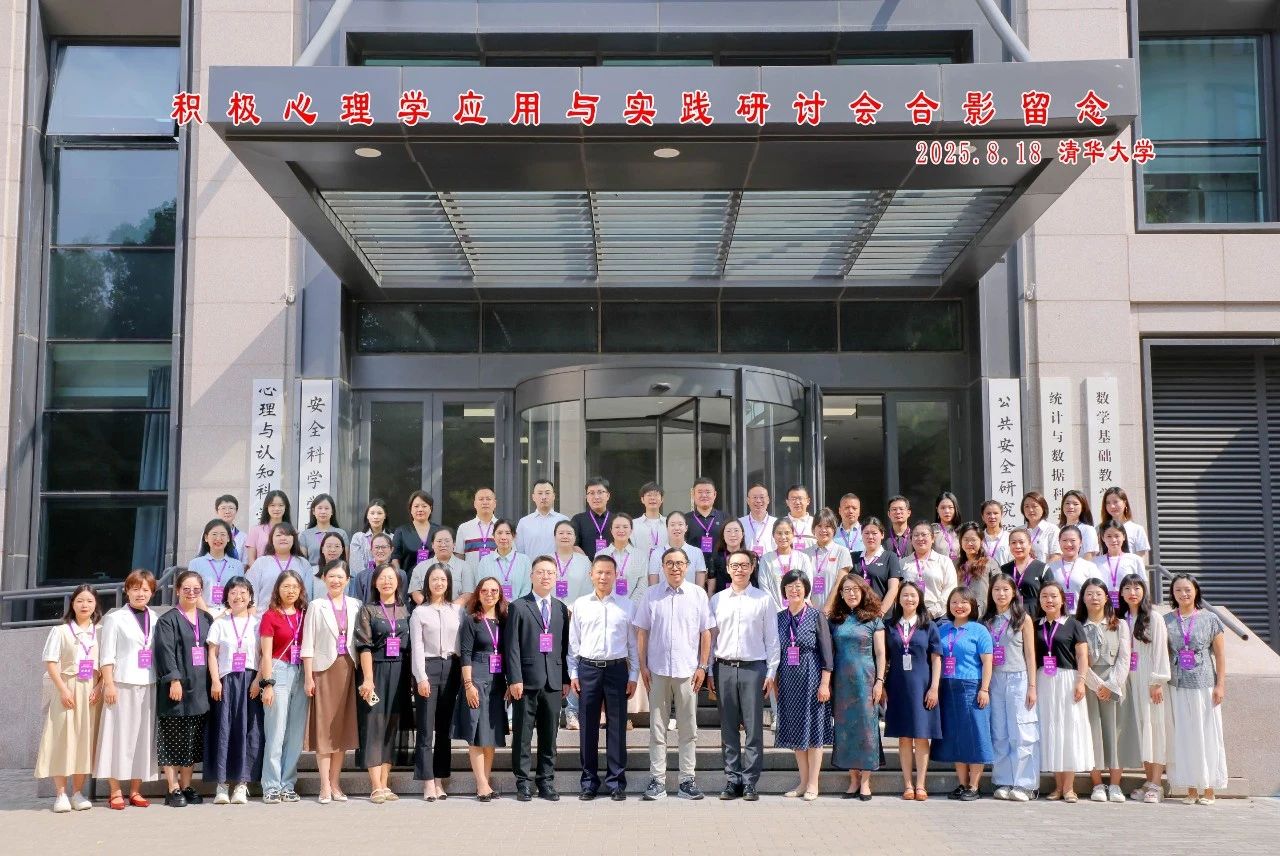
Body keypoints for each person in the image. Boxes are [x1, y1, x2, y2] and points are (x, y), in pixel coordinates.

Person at [633, 546, 715, 801]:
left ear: (687, 566)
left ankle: (687, 780)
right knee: (657, 728)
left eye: (680, 563)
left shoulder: (698, 594)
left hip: (688, 671)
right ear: (663, 567)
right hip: (657, 671)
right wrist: (643, 666)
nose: (675, 567)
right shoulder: (651, 594)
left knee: (688, 728)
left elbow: (706, 632)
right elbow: (642, 631)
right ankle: (657, 781)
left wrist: (703, 666)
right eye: (670, 563)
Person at [708, 549, 779, 801]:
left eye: (744, 565)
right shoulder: (717, 600)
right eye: (735, 565)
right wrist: (709, 669)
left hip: (753, 669)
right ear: (728, 569)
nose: (739, 569)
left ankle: (750, 782)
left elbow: (772, 639)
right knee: (728, 728)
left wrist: (771, 671)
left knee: (753, 728)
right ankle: (732, 780)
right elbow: (711, 639)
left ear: (752, 568)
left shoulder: (763, 600)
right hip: (724, 667)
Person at [569, 555, 639, 800]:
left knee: (617, 727)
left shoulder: (626, 605)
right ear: (591, 574)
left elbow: (632, 645)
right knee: (588, 727)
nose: (603, 577)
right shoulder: (580, 605)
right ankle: (589, 782)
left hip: (617, 670)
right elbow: (573, 643)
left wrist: (633, 675)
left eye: (608, 572)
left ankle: (616, 782)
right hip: (588, 669)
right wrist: (574, 673)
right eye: (599, 572)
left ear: (616, 575)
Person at [505, 556, 571, 801]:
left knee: (549, 735)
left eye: (550, 573)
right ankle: (523, 782)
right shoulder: (519, 606)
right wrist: (514, 678)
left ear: (556, 577)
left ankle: (546, 781)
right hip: (525, 682)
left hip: (553, 681)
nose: (545, 576)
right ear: (531, 576)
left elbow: (564, 647)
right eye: (540, 572)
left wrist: (565, 678)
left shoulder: (561, 608)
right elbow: (511, 646)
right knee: (523, 735)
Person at [96, 569, 160, 809]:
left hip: (148, 682)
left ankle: (135, 790)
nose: (140, 593)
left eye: (145, 589)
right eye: (135, 589)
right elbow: (107, 655)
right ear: (127, 591)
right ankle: (115, 791)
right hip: (121, 683)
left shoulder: (155, 618)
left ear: (152, 592)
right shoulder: (115, 618)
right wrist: (109, 684)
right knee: (116, 736)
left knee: (142, 737)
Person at [36, 585, 102, 813]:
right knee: (62, 739)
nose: (85, 605)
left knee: (85, 740)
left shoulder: (100, 632)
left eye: (89, 601)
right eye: (80, 601)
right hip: (67, 688)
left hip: (91, 692)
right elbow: (50, 662)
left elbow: (106, 664)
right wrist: (63, 690)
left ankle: (77, 793)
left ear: (96, 605)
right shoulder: (61, 631)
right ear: (72, 604)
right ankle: (61, 793)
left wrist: (100, 686)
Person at [1164, 573, 1227, 805]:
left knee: (1207, 734)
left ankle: (1209, 788)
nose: (1183, 594)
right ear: (1172, 594)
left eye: (1188, 589)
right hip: (1177, 684)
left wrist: (1220, 685)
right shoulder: (1166, 620)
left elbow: (1220, 655)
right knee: (1184, 735)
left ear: (1196, 591)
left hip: (1204, 684)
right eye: (1178, 590)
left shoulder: (1210, 618)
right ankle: (1191, 789)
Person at [301, 559, 359, 804]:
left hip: (348, 669)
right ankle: (324, 784)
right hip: (324, 671)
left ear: (347, 580)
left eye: (340, 577)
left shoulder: (356, 605)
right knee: (325, 729)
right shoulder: (316, 605)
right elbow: (308, 644)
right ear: (324, 578)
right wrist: (308, 677)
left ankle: (336, 783)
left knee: (341, 730)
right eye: (331, 576)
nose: (336, 580)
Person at [154, 569, 213, 807]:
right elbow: (165, 651)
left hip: (199, 688)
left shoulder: (206, 619)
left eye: (196, 589)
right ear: (177, 590)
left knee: (191, 740)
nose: (191, 593)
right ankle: (173, 787)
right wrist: (174, 680)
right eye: (186, 589)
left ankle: (187, 785)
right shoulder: (167, 620)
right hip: (176, 688)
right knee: (172, 738)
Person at [355, 564, 412, 803]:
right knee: (374, 725)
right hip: (376, 671)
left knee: (392, 726)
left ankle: (386, 783)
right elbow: (364, 646)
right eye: (382, 578)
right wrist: (368, 679)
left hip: (400, 672)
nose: (387, 582)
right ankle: (375, 785)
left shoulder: (406, 610)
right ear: (375, 583)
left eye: (391, 578)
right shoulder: (368, 610)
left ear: (398, 582)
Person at [204, 576, 264, 806]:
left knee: (249, 730)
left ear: (250, 596)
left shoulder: (258, 623)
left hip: (251, 680)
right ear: (226, 596)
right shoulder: (220, 623)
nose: (238, 597)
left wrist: (258, 680)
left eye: (243, 592)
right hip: (226, 680)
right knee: (224, 729)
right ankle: (221, 785)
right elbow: (212, 654)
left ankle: (241, 784)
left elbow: (264, 655)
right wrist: (215, 681)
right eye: (233, 593)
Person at [775, 569, 833, 801]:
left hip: (812, 678)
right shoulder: (780, 617)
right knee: (797, 732)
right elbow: (776, 652)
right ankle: (802, 782)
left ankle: (813, 784)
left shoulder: (816, 615)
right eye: (790, 586)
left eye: (798, 586)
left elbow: (827, 653)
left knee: (814, 731)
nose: (794, 590)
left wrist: (825, 683)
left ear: (806, 589)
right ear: (784, 591)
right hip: (789, 680)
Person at [410, 563, 465, 801]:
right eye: (434, 579)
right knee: (425, 728)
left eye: (443, 579)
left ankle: (440, 778)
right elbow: (417, 646)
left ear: (448, 583)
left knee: (444, 729)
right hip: (428, 668)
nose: (439, 583)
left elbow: (461, 644)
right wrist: (420, 676)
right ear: (427, 583)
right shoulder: (419, 612)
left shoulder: (457, 610)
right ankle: (427, 780)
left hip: (451, 668)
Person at [933, 587, 994, 801]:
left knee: (975, 734)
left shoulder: (979, 630)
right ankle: (961, 783)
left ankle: (974, 786)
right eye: (954, 602)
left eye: (964, 602)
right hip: (947, 686)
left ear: (972, 606)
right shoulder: (942, 629)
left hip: (972, 685)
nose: (959, 606)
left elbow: (987, 662)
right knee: (955, 735)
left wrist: (984, 688)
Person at [1034, 581, 1093, 802]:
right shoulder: (1036, 624)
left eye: (1053, 596)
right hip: (1044, 680)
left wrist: (1081, 681)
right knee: (1051, 731)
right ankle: (1057, 786)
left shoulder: (1073, 624)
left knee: (1068, 730)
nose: (1049, 600)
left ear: (1062, 600)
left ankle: (1069, 787)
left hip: (1067, 680)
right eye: (1044, 596)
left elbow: (1082, 656)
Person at [883, 581, 942, 801]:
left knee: (922, 736)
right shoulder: (889, 626)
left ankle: (921, 785)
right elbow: (883, 657)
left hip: (923, 686)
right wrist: (882, 684)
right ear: (898, 599)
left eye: (913, 595)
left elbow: (936, 659)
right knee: (904, 736)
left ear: (919, 599)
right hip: (898, 685)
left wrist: (934, 688)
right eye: (905, 595)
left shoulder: (929, 625)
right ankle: (907, 784)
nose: (909, 599)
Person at [983, 573, 1039, 802]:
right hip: (995, 679)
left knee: (1022, 732)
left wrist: (1032, 686)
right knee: (999, 732)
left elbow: (1030, 655)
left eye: (1006, 589)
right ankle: (1003, 780)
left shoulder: (1023, 619)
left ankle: (1026, 784)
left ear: (1014, 592)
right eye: (997, 589)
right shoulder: (987, 620)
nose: (1001, 594)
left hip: (1019, 677)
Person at [828, 574, 885, 800]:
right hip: (842, 682)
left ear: (863, 591)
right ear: (841, 594)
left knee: (866, 728)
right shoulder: (836, 619)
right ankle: (853, 779)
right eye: (846, 589)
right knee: (845, 730)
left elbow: (880, 654)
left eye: (855, 589)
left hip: (866, 680)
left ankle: (866, 782)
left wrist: (879, 681)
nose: (851, 593)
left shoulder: (874, 619)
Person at [256, 569, 310, 803]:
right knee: (276, 732)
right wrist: (267, 683)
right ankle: (271, 785)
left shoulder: (305, 614)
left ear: (301, 590)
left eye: (295, 587)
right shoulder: (271, 616)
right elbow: (266, 654)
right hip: (278, 671)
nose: (290, 591)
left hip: (301, 672)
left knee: (295, 734)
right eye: (286, 586)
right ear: (278, 589)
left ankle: (288, 783)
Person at [453, 576, 509, 801]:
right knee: (476, 732)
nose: (489, 594)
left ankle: (485, 781)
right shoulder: (471, 620)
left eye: (494, 590)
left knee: (490, 733)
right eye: (485, 590)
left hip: (497, 681)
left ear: (500, 594)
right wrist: (468, 685)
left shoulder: (504, 620)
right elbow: (465, 654)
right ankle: (482, 784)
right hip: (476, 678)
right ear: (478, 594)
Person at [1116, 573, 1170, 803]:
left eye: (1137, 588)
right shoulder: (1121, 619)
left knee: (1154, 729)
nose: (1132, 592)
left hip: (1149, 679)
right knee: (1141, 729)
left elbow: (1160, 651)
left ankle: (1157, 784)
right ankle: (1148, 781)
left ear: (1144, 591)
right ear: (1121, 593)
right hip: (1129, 679)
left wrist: (1157, 681)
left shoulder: (1154, 618)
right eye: (1127, 588)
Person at [1077, 578, 1131, 803]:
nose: (1094, 598)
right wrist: (1096, 684)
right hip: (1088, 685)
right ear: (1083, 598)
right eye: (1089, 594)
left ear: (1107, 597)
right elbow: (1078, 659)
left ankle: (1116, 785)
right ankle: (1097, 783)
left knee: (1115, 733)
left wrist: (1110, 685)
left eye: (1098, 594)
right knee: (1093, 732)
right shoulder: (1077, 625)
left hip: (1114, 686)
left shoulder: (1120, 625)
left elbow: (1124, 658)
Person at [597, 513, 649, 728]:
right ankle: (603, 712)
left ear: (631, 530)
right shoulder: (602, 554)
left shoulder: (639, 555)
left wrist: (627, 606)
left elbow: (642, 585)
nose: (621, 530)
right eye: (617, 527)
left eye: (625, 527)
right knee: (607, 658)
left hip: (631, 613)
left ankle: (625, 712)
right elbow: (598, 581)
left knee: (629, 660)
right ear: (611, 530)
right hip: (605, 610)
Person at [901, 522, 958, 620]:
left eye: (924, 535)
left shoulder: (944, 561)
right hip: (909, 616)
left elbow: (950, 589)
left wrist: (932, 612)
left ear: (932, 538)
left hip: (939, 617)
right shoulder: (903, 563)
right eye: (916, 535)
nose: (920, 538)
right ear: (911, 540)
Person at [245, 522, 309, 608]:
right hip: (264, 614)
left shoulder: (303, 564)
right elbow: (251, 591)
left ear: (294, 539)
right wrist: (252, 611)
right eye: (278, 535)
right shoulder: (261, 563)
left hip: (295, 614)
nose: (283, 538)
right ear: (271, 540)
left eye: (287, 535)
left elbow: (307, 594)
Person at [757, 517, 812, 613]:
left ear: (793, 534)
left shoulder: (803, 558)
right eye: (779, 533)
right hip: (773, 612)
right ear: (773, 535)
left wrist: (797, 609)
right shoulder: (766, 559)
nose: (783, 537)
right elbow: (764, 587)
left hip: (799, 612)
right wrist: (779, 612)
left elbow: (807, 584)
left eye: (787, 533)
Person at [192, 519, 245, 618]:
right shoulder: (195, 563)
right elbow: (194, 592)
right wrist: (208, 616)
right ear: (206, 538)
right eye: (214, 534)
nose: (218, 538)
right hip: (202, 614)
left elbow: (241, 593)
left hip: (229, 614)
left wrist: (226, 613)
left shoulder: (237, 565)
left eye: (223, 535)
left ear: (228, 538)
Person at [1001, 528, 1052, 619]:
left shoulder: (1043, 568)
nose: (1017, 546)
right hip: (1010, 618)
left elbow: (1050, 595)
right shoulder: (1003, 569)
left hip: (1036, 618)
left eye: (1021, 542)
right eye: (1013, 543)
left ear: (1030, 544)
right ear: (1009, 545)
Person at [476, 519, 532, 601]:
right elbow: (481, 589)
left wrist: (516, 607)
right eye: (499, 533)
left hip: (518, 608)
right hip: (491, 607)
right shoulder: (484, 561)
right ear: (493, 536)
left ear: (514, 536)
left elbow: (526, 590)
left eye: (508, 533)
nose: (503, 537)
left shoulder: (524, 560)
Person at [807, 509, 854, 608]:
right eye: (819, 526)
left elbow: (840, 583)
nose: (823, 530)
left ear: (834, 529)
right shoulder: (805, 554)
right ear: (813, 529)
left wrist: (827, 608)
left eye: (827, 526)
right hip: (809, 611)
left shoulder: (842, 552)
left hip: (834, 610)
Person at [650, 510, 709, 588]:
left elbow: (700, 587)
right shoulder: (656, 553)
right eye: (672, 525)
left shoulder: (697, 553)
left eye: (680, 524)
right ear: (667, 528)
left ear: (686, 528)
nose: (676, 528)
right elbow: (653, 587)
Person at [853, 517, 901, 612]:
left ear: (882, 535)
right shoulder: (854, 557)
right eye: (866, 533)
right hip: (858, 614)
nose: (870, 537)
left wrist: (880, 613)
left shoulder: (890, 557)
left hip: (883, 615)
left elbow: (893, 589)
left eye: (874, 533)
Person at [1093, 521, 1144, 610]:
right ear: (1103, 538)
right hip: (1103, 608)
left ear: (1124, 536)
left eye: (1117, 536)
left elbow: (1143, 588)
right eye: (1109, 536)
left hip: (1128, 608)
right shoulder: (1095, 562)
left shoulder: (1135, 560)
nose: (1113, 540)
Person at [411, 527, 471, 600]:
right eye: (439, 541)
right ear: (432, 545)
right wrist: (428, 605)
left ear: (454, 544)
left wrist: (452, 607)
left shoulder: (465, 566)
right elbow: (415, 592)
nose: (443, 544)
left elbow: (468, 593)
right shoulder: (420, 567)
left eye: (447, 541)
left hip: (456, 607)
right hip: (427, 606)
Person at [391, 490, 443, 572]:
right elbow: (395, 559)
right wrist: (398, 576)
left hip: (434, 577)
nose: (420, 509)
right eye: (416, 506)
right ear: (410, 509)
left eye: (424, 506)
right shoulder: (401, 531)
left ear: (430, 508)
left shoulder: (440, 531)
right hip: (408, 578)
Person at [515, 479, 569, 559]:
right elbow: (519, 552)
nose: (544, 497)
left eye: (547, 493)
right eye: (540, 493)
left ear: (553, 496)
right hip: (531, 566)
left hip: (557, 566)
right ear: (533, 497)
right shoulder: (524, 522)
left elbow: (568, 549)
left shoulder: (564, 520)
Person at [349, 533, 405, 604]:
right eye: (377, 547)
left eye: (384, 547)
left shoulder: (400, 574)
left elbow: (403, 601)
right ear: (371, 550)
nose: (380, 551)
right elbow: (358, 602)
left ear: (391, 549)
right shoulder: (362, 576)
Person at [1099, 486, 1151, 563]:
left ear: (1124, 502)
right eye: (1108, 503)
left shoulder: (1137, 529)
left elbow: (1140, 559)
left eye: (1115, 502)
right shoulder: (1099, 529)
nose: (1112, 506)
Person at [687, 477, 727, 577]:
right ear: (693, 495)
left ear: (715, 494)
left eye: (708, 492)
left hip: (721, 573)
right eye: (700, 492)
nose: (704, 495)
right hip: (692, 572)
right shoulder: (685, 520)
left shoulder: (725, 518)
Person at [955, 521, 997, 610]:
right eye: (966, 539)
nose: (969, 543)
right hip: (960, 611)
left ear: (981, 541)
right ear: (960, 541)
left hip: (983, 613)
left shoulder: (990, 563)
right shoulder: (955, 564)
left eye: (973, 540)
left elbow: (997, 587)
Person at [1047, 525, 1089, 613]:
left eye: (1073, 540)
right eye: (1064, 540)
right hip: (1057, 616)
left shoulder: (1089, 567)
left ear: (1080, 542)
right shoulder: (1050, 568)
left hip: (1081, 616)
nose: (1068, 544)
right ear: (1059, 542)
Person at [570, 477, 614, 561]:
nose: (596, 497)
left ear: (608, 496)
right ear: (586, 497)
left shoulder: (616, 520)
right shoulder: (578, 519)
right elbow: (573, 545)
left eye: (600, 492)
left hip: (613, 566)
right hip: (585, 566)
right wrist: (589, 564)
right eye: (591, 493)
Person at [244, 490, 291, 566]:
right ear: (267, 507)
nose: (276, 508)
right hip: (260, 572)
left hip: (286, 572)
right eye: (272, 505)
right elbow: (251, 559)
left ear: (286, 507)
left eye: (281, 505)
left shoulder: (292, 531)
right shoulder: (255, 530)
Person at [552, 520, 593, 604]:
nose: (565, 536)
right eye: (561, 533)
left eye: (569, 533)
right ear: (555, 537)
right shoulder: (546, 560)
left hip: (577, 608)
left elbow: (588, 589)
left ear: (575, 537)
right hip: (550, 609)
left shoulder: (584, 561)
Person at [300, 493, 347, 566]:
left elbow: (345, 561)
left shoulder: (341, 533)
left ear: (332, 511)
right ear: (313, 511)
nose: (323, 512)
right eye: (320, 508)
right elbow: (302, 563)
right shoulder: (305, 535)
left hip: (336, 571)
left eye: (326, 508)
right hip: (312, 572)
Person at [456, 487, 500, 565]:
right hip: (471, 573)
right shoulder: (464, 528)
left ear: (495, 503)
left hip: (497, 573)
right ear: (474, 504)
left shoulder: (503, 527)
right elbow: (459, 557)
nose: (485, 502)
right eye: (481, 499)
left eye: (488, 499)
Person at [708, 518, 750, 596]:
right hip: (721, 600)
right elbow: (711, 590)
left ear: (742, 534)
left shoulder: (750, 558)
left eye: (736, 530)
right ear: (723, 535)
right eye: (728, 531)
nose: (732, 534)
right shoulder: (715, 557)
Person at [349, 499, 390, 576]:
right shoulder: (358, 538)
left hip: (385, 579)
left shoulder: (392, 538)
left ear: (385, 516)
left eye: (379, 513)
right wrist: (368, 579)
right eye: (372, 513)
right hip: (362, 580)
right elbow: (356, 566)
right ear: (367, 516)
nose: (376, 517)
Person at [631, 481, 668, 564]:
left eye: (656, 495)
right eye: (649, 495)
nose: (652, 498)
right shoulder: (633, 524)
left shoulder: (669, 523)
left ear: (662, 499)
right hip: (641, 567)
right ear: (642, 499)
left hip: (664, 568)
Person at [1058, 489, 1099, 560]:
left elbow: (1089, 557)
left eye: (1075, 504)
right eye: (1067, 503)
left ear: (1083, 507)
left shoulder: (1087, 529)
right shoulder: (1058, 529)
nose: (1070, 507)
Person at [1021, 491, 1061, 564]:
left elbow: (1057, 556)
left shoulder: (1052, 529)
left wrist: (1043, 570)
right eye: (1026, 506)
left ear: (1043, 508)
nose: (1030, 510)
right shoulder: (1018, 531)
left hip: (1045, 570)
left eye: (1034, 506)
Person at [739, 483, 777, 558]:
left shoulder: (776, 523)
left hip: (771, 564)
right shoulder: (740, 523)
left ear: (768, 500)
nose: (758, 501)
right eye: (755, 497)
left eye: (762, 497)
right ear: (748, 501)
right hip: (746, 564)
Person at [310, 531, 347, 600]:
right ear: (322, 549)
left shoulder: (350, 573)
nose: (333, 550)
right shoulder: (312, 572)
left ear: (342, 550)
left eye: (337, 546)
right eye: (329, 546)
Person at [215, 494, 249, 561]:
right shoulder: (209, 533)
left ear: (236, 511)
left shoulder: (243, 537)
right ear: (217, 511)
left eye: (231, 508)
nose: (227, 512)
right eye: (223, 508)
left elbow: (245, 562)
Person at [932, 491, 963, 564]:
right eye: (943, 508)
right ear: (937, 509)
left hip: (958, 570)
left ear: (955, 509)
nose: (947, 511)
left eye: (950, 507)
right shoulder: (931, 531)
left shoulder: (962, 531)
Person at [784, 484, 816, 551]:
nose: (797, 502)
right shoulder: (781, 523)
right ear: (787, 502)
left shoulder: (816, 523)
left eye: (800, 498)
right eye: (793, 499)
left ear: (808, 501)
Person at [979, 500, 1012, 564]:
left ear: (1002, 515)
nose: (992, 516)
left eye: (995, 513)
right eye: (988, 513)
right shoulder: (978, 538)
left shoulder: (1009, 537)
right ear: (982, 516)